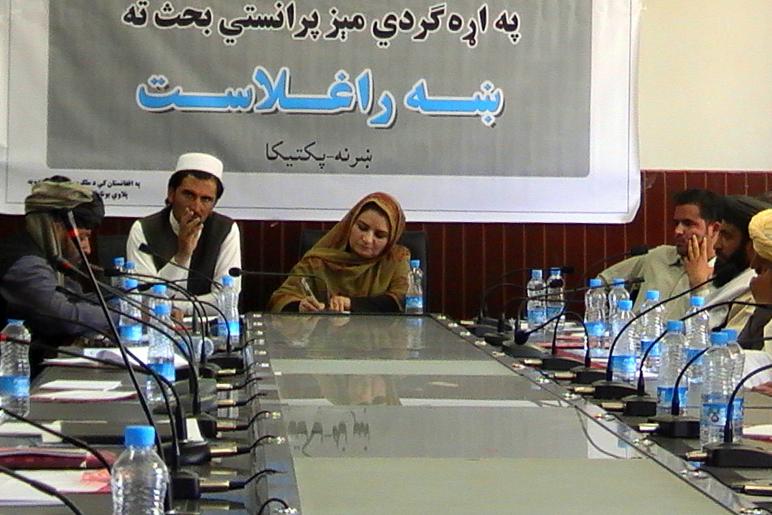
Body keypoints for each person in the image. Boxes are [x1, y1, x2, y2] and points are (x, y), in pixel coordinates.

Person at [0, 177, 110, 374]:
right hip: (14, 381)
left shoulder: (47, 257)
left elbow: (76, 298)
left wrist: (129, 302)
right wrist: (124, 318)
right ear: (56, 227)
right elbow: (64, 317)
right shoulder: (24, 264)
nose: (87, 249)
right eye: (82, 237)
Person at [126, 152, 241, 314]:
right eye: (188, 195)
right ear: (171, 194)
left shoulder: (225, 230)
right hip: (156, 325)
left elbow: (226, 299)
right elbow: (144, 300)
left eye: (206, 199)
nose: (196, 207)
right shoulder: (143, 229)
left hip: (209, 325)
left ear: (214, 203)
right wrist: (182, 255)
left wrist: (177, 307)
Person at [268, 192, 410, 313]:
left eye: (379, 235)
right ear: (350, 224)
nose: (367, 239)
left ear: (391, 239)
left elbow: (402, 301)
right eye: (362, 228)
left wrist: (350, 303)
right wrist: (299, 307)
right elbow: (279, 300)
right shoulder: (318, 260)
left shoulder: (396, 258)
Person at [599, 188, 723, 321]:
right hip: (637, 332)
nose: (678, 231)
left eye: (688, 224)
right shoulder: (659, 256)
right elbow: (601, 283)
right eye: (676, 223)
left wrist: (699, 285)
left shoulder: (724, 275)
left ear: (714, 229)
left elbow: (709, 326)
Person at [706, 195, 770, 334]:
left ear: (753, 246)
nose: (716, 245)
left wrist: (763, 306)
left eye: (727, 236)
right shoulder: (729, 278)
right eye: (719, 235)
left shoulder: (756, 292)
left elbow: (738, 346)